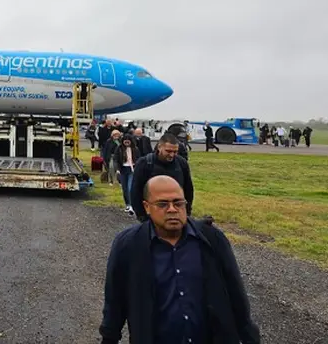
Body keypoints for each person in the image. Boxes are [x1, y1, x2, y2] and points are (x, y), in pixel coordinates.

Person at [99, 175, 261, 344]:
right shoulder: (129, 245)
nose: (172, 209)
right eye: (162, 204)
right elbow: (115, 300)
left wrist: (248, 336)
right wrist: (109, 337)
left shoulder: (212, 240)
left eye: (178, 203)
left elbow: (236, 293)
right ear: (146, 207)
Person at [130, 132, 194, 221]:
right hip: (152, 214)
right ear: (159, 147)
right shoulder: (145, 163)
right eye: (168, 151)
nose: (172, 155)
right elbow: (136, 191)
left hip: (176, 213)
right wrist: (141, 216)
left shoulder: (181, 163)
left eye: (175, 152)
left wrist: (187, 211)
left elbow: (188, 189)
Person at [113, 134, 140, 215]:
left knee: (130, 187)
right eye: (125, 140)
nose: (127, 142)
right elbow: (116, 159)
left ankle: (132, 205)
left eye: (128, 140)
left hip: (132, 170)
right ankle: (127, 204)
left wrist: (137, 168)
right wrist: (117, 169)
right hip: (123, 170)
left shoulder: (135, 149)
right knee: (124, 188)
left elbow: (138, 159)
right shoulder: (119, 148)